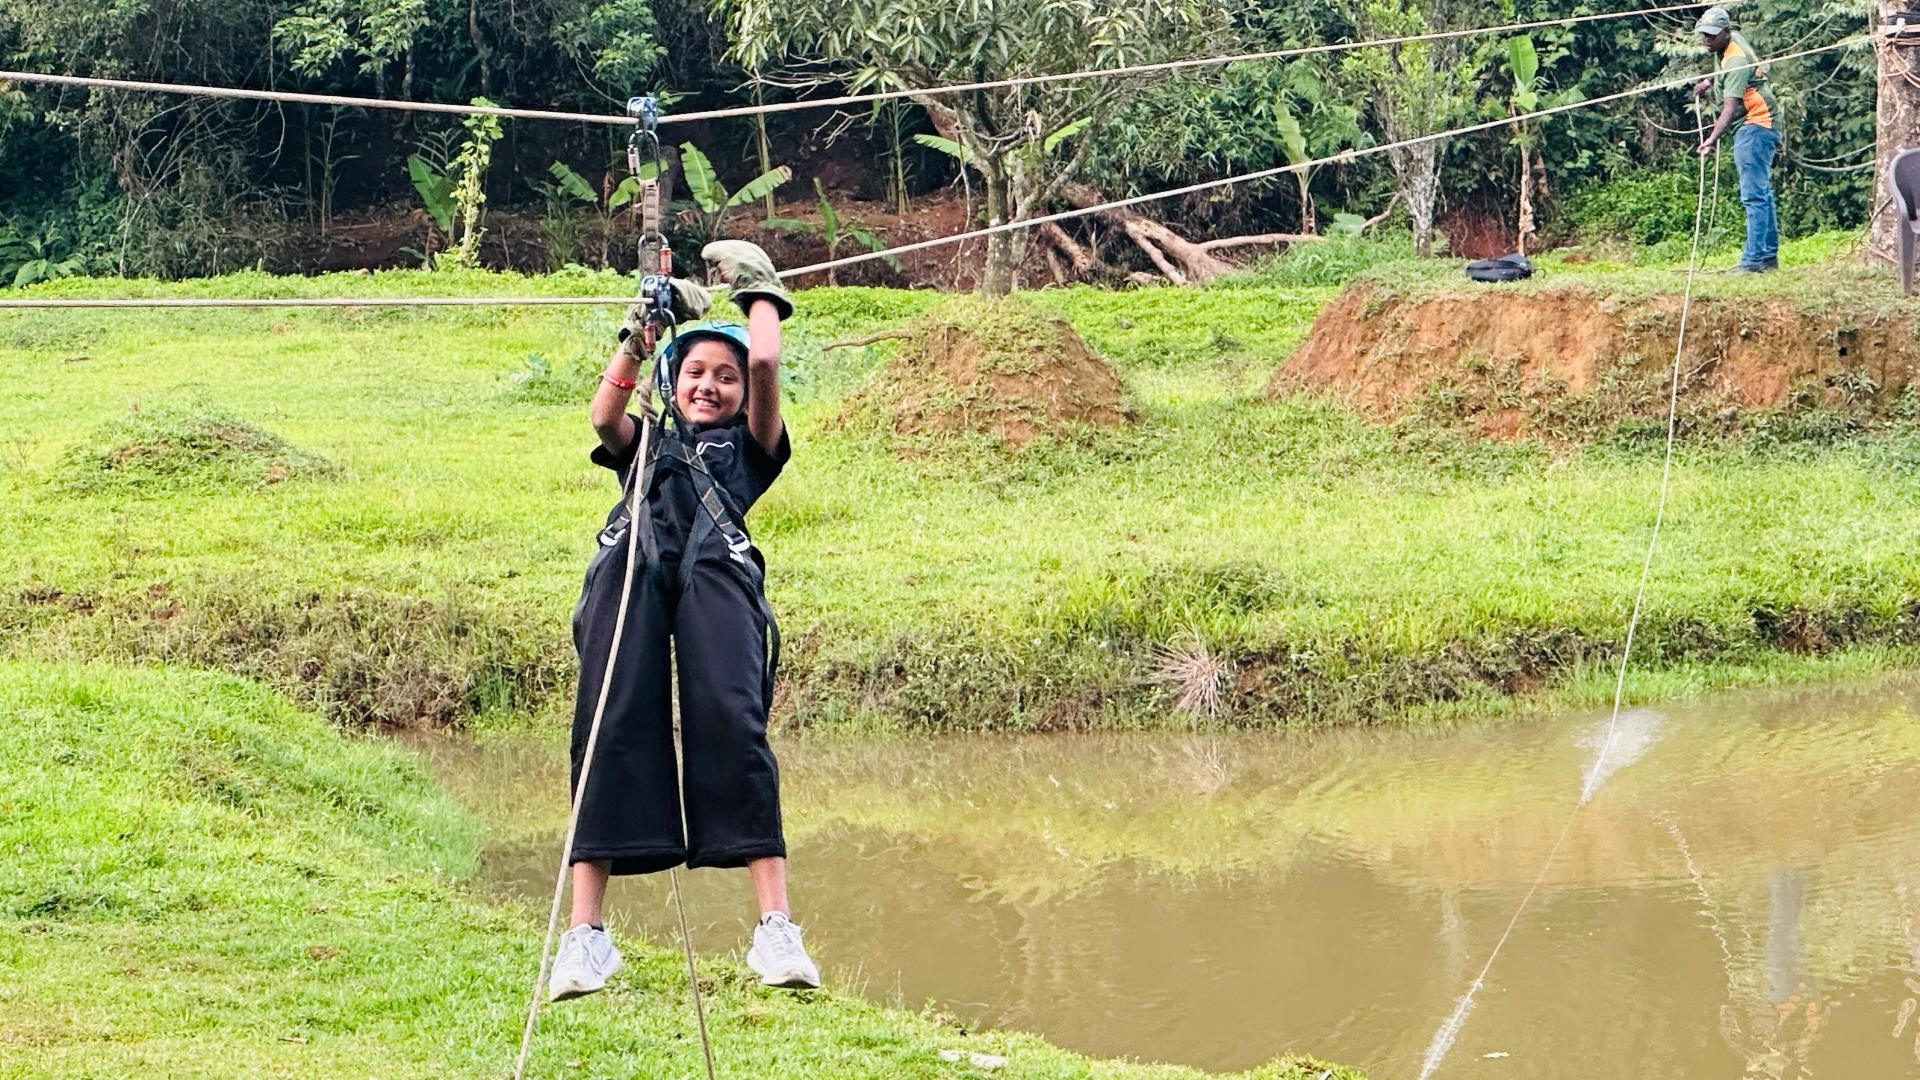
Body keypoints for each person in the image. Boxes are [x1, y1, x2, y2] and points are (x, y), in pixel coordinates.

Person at [547, 240, 821, 1001]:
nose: (711, 385)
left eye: (723, 377)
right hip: (628, 569)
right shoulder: (646, 441)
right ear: (672, 382)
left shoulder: (750, 450)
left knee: (733, 724)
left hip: (716, 571)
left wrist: (757, 291)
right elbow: (605, 414)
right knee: (609, 726)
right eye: (697, 373)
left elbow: (765, 364)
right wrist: (640, 336)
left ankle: (776, 930)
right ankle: (585, 939)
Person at [1693, 5, 1781, 274]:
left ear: (1726, 32)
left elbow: (1729, 109)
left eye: (1712, 35)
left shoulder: (1736, 60)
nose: (1707, 40)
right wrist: (1709, 81)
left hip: (1756, 125)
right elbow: (1725, 72)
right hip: (1757, 122)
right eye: (1704, 35)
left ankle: (1753, 260)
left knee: (1753, 194)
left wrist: (1710, 140)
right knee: (1761, 192)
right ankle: (1767, 257)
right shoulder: (1727, 45)